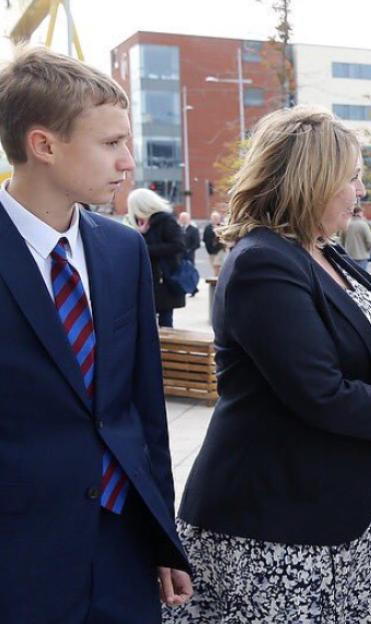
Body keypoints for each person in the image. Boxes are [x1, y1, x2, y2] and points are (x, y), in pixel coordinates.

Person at [164, 106, 371, 623]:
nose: (360, 192)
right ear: (312, 179)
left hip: (346, 503)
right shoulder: (263, 260)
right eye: (351, 178)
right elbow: (320, 393)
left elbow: (363, 365)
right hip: (280, 518)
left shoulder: (320, 251)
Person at [0, 46, 192, 623]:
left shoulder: (122, 248)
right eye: (111, 144)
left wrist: (162, 536)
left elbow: (142, 406)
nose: (128, 163)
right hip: (19, 555)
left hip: (122, 545)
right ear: (44, 145)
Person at [128, 187, 186, 327]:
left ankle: (164, 349)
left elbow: (178, 246)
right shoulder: (139, 222)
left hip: (164, 279)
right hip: (145, 278)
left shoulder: (166, 220)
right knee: (145, 322)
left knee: (165, 321)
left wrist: (145, 250)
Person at [342, 205, 371, 270]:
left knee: (351, 276)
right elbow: (369, 241)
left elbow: (342, 239)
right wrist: (368, 250)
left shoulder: (346, 225)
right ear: (359, 213)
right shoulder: (363, 225)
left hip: (349, 255)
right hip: (362, 256)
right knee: (361, 277)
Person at [202, 210, 226, 276]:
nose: (215, 219)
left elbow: (225, 239)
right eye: (213, 218)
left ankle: (217, 281)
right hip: (210, 250)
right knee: (214, 267)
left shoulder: (222, 227)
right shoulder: (207, 228)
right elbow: (205, 239)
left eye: (216, 218)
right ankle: (219, 277)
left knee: (216, 265)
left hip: (219, 249)